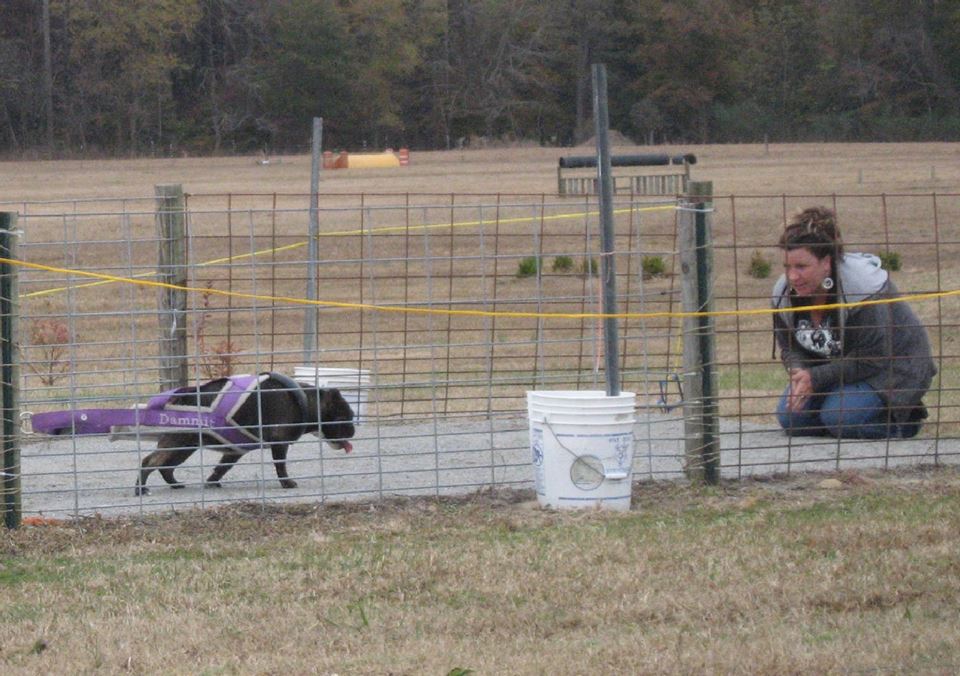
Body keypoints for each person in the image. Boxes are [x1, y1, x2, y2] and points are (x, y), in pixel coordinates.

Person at [771, 206, 936, 438]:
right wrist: (799, 372)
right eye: (787, 267)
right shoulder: (783, 294)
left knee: (840, 418)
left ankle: (904, 421)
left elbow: (873, 359)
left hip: (892, 369)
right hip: (837, 371)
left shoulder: (862, 289)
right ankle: (844, 413)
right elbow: (789, 346)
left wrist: (815, 378)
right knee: (793, 420)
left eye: (801, 267)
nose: (792, 276)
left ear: (826, 263)